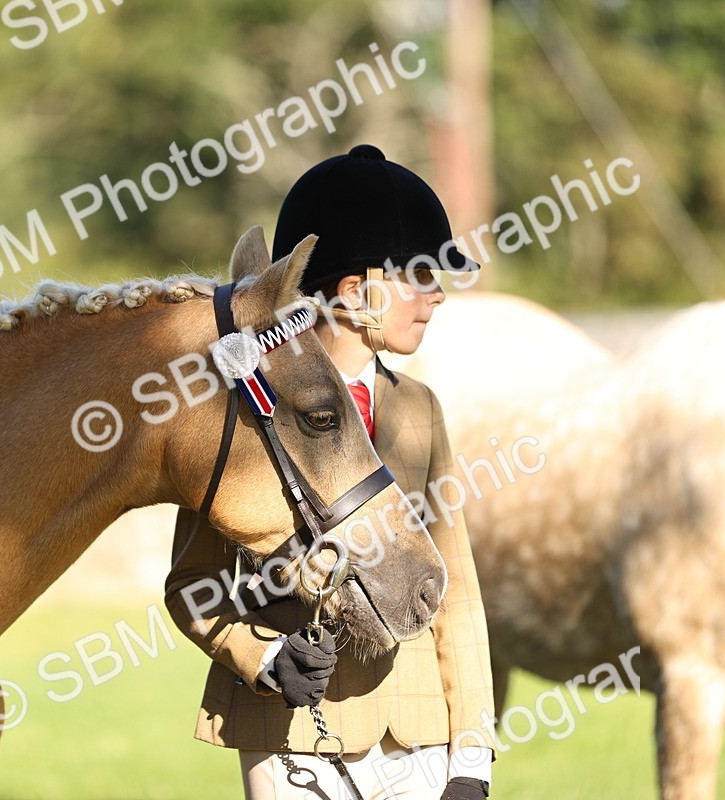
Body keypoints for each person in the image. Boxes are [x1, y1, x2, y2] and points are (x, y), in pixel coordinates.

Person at [164, 144, 496, 800]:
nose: (437, 297)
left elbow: (457, 589)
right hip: (290, 729)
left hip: (420, 732)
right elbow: (191, 585)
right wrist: (261, 659)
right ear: (353, 291)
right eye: (421, 276)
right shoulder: (247, 410)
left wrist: (472, 757)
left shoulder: (419, 409)